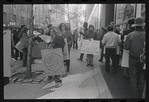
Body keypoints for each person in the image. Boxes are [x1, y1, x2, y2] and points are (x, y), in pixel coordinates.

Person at [124, 17, 145, 98]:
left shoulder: (130, 35)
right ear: (142, 26)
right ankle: (140, 93)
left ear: (135, 26)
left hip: (133, 58)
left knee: (133, 76)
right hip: (143, 59)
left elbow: (126, 47)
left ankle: (134, 95)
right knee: (141, 75)